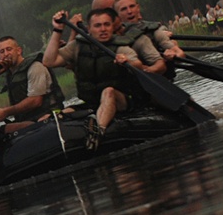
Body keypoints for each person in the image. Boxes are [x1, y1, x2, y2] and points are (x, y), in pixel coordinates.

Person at [44, 8, 162, 150]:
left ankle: (98, 131)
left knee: (108, 92)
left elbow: (137, 63)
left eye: (107, 25)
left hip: (122, 100)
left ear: (112, 27)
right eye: (98, 26)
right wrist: (57, 30)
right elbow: (49, 62)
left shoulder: (121, 47)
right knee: (63, 114)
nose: (103, 29)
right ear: (89, 29)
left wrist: (126, 62)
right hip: (91, 102)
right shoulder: (78, 46)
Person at [0, 36, 65, 125]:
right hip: (29, 121)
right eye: (2, 51)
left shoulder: (35, 66)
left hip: (48, 117)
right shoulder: (10, 74)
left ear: (18, 51)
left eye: (9, 49)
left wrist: (6, 112)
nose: (6, 54)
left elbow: (35, 101)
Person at [113, 0, 185, 60]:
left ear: (138, 8)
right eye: (123, 9)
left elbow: (180, 53)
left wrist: (174, 55)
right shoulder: (112, 37)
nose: (129, 11)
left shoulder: (152, 30)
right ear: (117, 15)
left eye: (132, 6)